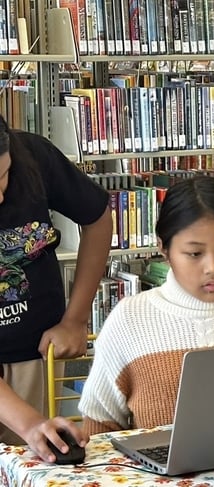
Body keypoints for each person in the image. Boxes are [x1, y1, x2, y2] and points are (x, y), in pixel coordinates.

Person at [78, 176, 214, 435]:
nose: (213, 268)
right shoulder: (129, 319)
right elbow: (100, 426)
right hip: (155, 476)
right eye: (195, 254)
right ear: (164, 248)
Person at [0, 115, 112, 460]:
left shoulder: (33, 156)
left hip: (36, 353)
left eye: (3, 175)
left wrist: (75, 319)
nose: (0, 196)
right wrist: (29, 422)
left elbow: (97, 216)